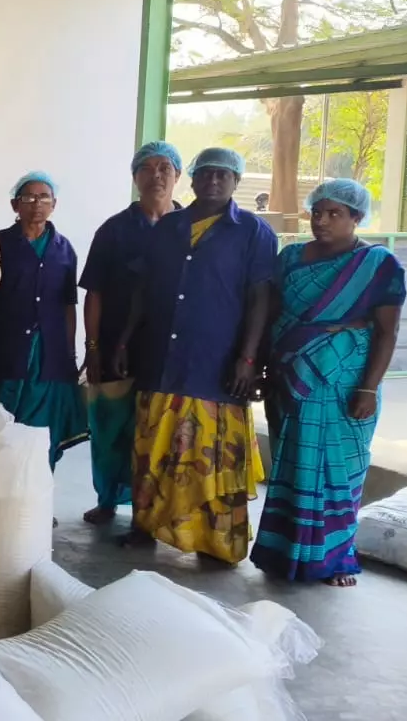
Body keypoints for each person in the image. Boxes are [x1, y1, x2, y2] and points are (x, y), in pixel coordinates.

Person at [114, 147, 273, 565]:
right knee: (152, 447)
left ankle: (215, 542)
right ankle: (145, 525)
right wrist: (125, 340)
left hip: (216, 365)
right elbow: (144, 289)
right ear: (194, 179)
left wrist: (248, 359)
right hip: (161, 359)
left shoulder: (253, 232)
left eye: (223, 174)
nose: (214, 181)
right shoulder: (169, 227)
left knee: (212, 457)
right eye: (206, 173)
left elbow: (260, 298)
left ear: (236, 181)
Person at [250, 179, 405, 587]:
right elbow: (273, 313)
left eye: (335, 213)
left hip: (344, 384)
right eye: (317, 212)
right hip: (289, 378)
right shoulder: (291, 257)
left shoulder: (378, 264)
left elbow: (386, 332)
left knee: (340, 469)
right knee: (291, 467)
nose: (321, 220)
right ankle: (283, 552)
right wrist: (262, 366)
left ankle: (334, 559)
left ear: (357, 217)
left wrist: (368, 388)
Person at [79, 141, 183, 525]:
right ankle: (108, 498)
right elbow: (94, 293)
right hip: (113, 347)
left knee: (160, 430)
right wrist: (92, 348)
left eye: (165, 168)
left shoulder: (189, 228)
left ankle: (150, 508)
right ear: (135, 177)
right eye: (147, 168)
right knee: (110, 426)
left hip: (170, 351)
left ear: (177, 175)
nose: (156, 175)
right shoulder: (114, 230)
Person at [0, 172, 88, 468]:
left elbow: (69, 306)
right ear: (15, 204)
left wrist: (71, 355)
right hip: (8, 351)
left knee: (43, 432)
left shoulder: (64, 249)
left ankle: (35, 492)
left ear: (54, 204)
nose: (37, 203)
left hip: (50, 355)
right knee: (2, 423)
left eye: (44, 197)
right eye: (29, 197)